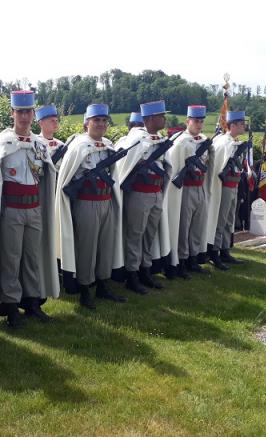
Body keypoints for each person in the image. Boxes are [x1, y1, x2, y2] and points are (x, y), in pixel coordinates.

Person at [0, 90, 59, 327]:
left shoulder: (39, 144)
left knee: (32, 258)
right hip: (11, 210)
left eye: (28, 112)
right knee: (11, 260)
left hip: (34, 209)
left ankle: (32, 303)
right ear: (12, 113)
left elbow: (46, 177)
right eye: (20, 112)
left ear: (34, 114)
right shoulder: (2, 143)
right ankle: (11, 307)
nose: (24, 117)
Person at [55, 103, 126, 309]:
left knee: (106, 245)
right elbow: (67, 179)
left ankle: (103, 284)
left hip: (106, 200)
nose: (101, 124)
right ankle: (85, 288)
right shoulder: (79, 147)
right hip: (86, 203)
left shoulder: (108, 145)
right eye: (97, 121)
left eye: (104, 121)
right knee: (87, 247)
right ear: (86, 123)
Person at [115, 100, 172, 293]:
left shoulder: (160, 140)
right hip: (139, 193)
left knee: (150, 234)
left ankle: (145, 270)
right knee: (135, 235)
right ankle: (132, 274)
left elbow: (167, 167)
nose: (164, 119)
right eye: (161, 116)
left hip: (155, 192)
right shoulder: (137, 140)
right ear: (149, 119)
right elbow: (125, 168)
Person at [165, 105, 210, 276]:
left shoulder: (203, 140)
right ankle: (181, 261)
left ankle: (193, 258)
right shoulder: (181, 142)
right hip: (185, 189)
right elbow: (175, 167)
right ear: (187, 121)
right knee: (183, 227)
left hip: (199, 187)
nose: (199, 124)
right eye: (195, 121)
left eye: (201, 121)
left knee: (197, 226)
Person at [204, 110, 247, 270]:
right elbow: (217, 169)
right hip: (222, 187)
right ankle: (214, 252)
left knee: (229, 220)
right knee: (220, 220)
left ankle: (224, 250)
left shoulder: (234, 142)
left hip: (233, 185)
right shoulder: (224, 142)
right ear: (233, 125)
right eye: (241, 123)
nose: (244, 126)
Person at [35, 104, 64, 171]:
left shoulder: (61, 145)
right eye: (52, 121)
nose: (55, 123)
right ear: (41, 123)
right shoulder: (35, 143)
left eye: (56, 120)